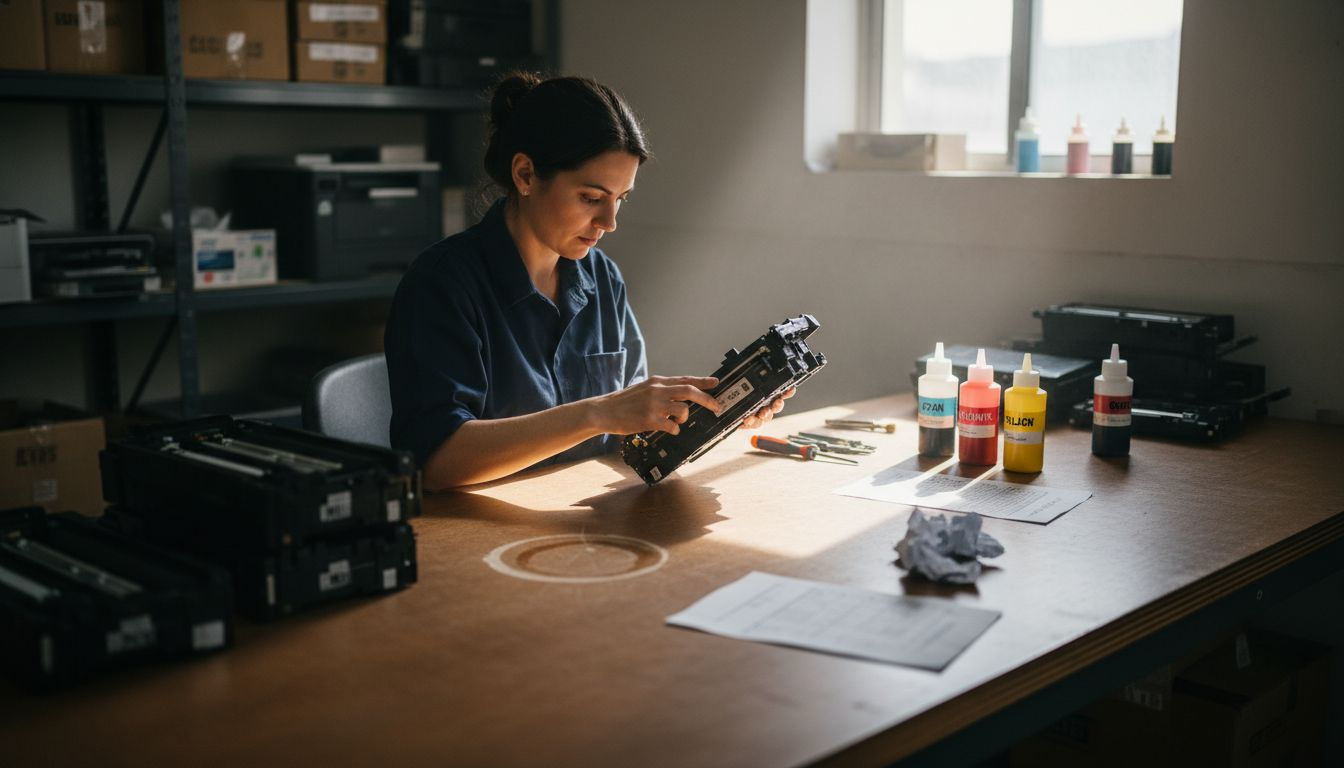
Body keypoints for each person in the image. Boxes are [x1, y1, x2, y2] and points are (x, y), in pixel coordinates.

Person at [384, 73, 790, 490]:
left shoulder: (602, 277)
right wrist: (597, 413)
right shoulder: (441, 284)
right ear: (525, 175)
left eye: (620, 200)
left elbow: (628, 431)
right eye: (592, 198)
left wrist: (716, 411)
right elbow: (433, 462)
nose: (609, 223)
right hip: (478, 535)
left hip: (581, 523)